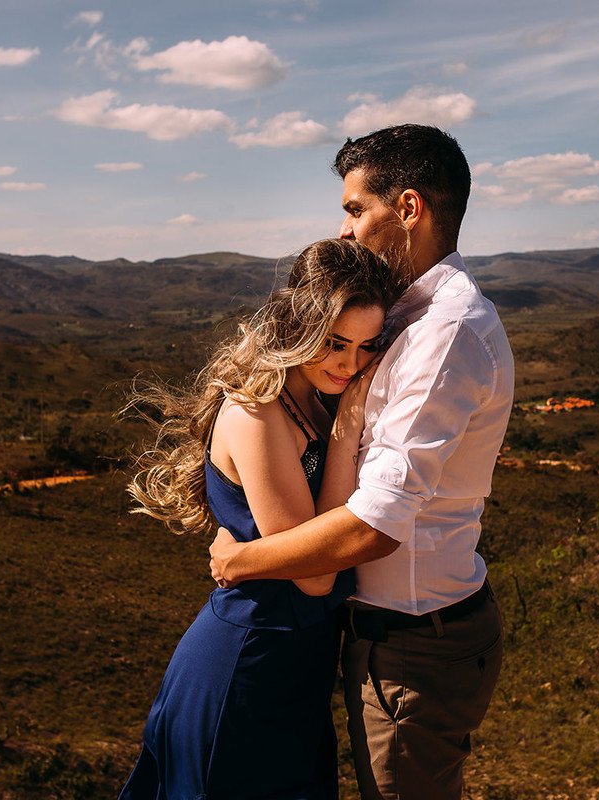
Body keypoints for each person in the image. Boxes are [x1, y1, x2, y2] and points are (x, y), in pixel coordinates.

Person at [209, 124, 515, 800]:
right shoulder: (405, 319)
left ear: (408, 209)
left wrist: (242, 560)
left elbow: (377, 524)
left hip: (413, 645)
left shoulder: (443, 335)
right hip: (391, 635)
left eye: (354, 209)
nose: (344, 231)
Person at [116, 238, 402, 800]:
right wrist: (345, 437)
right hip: (247, 663)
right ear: (297, 324)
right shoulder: (258, 412)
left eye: (368, 347)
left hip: (301, 667)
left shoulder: (315, 397)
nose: (351, 364)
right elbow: (315, 574)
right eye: (335, 343)